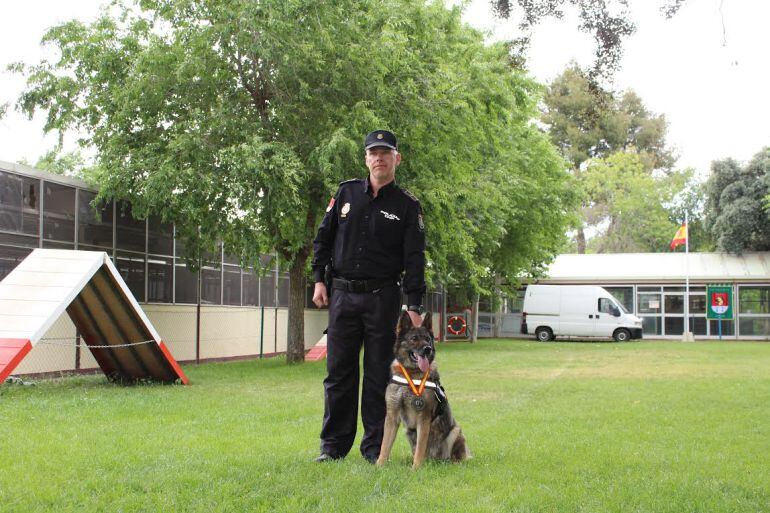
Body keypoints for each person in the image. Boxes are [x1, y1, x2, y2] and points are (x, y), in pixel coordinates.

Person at [311, 129, 426, 464]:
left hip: (383, 298)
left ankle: (374, 447)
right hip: (343, 297)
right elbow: (323, 238)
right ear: (366, 158)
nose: (379, 158)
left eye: (385, 153)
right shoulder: (345, 194)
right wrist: (319, 280)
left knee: (378, 376)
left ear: (396, 159)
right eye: (373, 153)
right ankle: (332, 448)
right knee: (338, 374)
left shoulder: (407, 206)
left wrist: (415, 304)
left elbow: (415, 259)